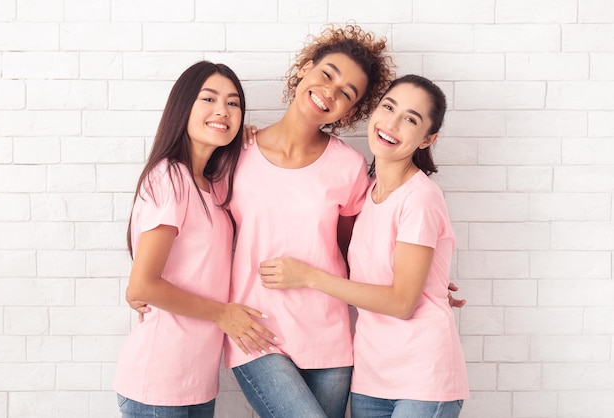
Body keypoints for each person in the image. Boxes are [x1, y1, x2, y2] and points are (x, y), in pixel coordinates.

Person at [259, 75, 469, 417]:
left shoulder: (420, 198)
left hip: (423, 377)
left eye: (411, 119)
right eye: (388, 107)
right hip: (371, 377)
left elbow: (402, 303)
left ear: (428, 138)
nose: (392, 123)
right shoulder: (367, 194)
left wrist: (309, 277)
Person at [225, 24, 394, 418]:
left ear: (350, 112)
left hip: (328, 338)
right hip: (255, 331)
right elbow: (205, 231)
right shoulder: (235, 154)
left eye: (346, 94)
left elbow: (359, 250)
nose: (330, 92)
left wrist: (426, 278)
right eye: (327, 75)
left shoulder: (349, 167)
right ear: (304, 68)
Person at [113, 61, 276, 418]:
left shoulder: (214, 184)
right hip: (157, 383)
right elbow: (144, 284)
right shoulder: (169, 177)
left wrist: (250, 137)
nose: (223, 110)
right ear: (183, 107)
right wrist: (224, 314)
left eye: (233, 103)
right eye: (209, 99)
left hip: (197, 383)